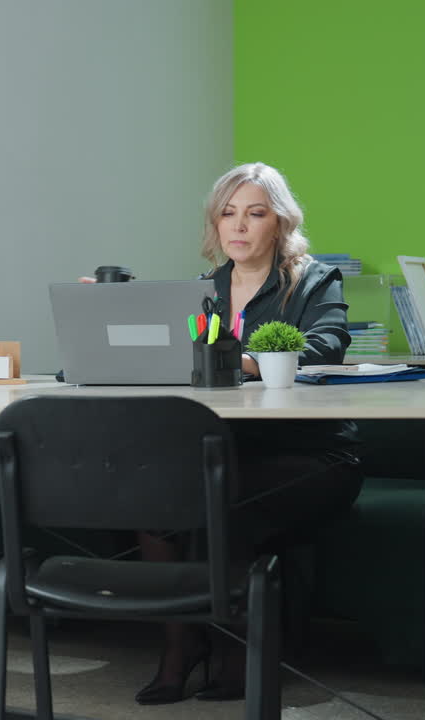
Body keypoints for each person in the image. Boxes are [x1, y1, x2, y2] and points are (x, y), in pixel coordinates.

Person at [129, 162, 364, 704]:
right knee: (155, 504)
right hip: (224, 450)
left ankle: (240, 652)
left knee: (224, 501)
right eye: (228, 214)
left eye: (255, 213)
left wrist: (248, 359)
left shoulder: (313, 280)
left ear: (278, 223)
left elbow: (326, 344)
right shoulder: (199, 292)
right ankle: (180, 643)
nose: (239, 226)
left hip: (316, 457)